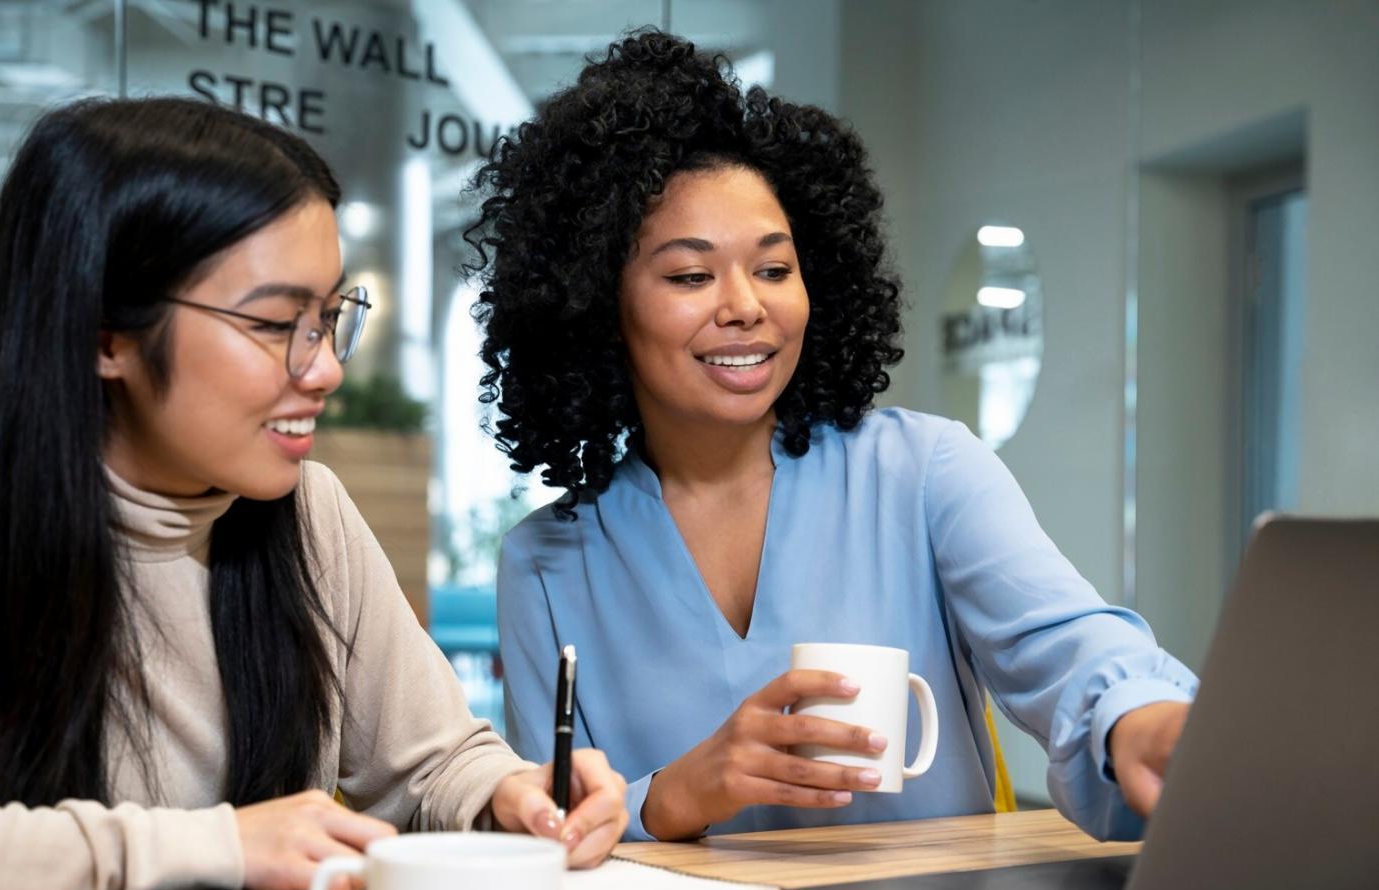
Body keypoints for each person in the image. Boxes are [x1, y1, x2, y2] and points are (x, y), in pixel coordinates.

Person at [0, 97, 626, 890]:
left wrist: (511, 794)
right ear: (106, 335)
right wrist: (214, 847)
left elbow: (432, 762)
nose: (322, 371)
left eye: (327, 321)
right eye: (277, 322)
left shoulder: (307, 515)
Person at [468, 32, 1197, 844]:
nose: (746, 305)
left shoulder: (923, 471)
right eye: (690, 275)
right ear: (598, 307)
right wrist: (668, 796)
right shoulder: (545, 565)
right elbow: (546, 821)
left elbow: (1064, 643)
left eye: (775, 269)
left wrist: (1142, 717)